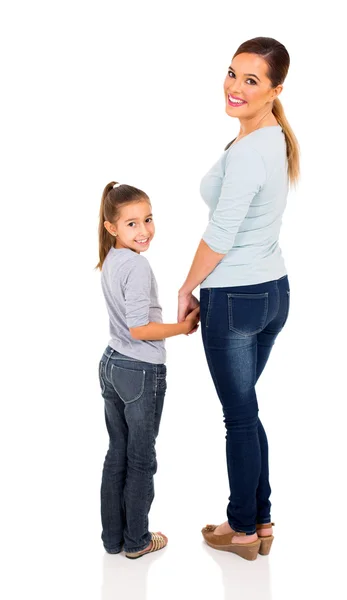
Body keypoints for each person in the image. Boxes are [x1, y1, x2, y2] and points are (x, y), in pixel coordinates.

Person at [178, 37, 300, 561]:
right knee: (246, 411)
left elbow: (221, 234)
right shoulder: (270, 137)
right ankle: (261, 520)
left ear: (275, 89)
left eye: (251, 80)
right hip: (273, 293)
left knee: (240, 417)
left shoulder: (252, 151)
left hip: (235, 300)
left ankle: (242, 529)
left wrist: (187, 287)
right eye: (232, 74)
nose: (235, 87)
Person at [97, 181, 200, 559]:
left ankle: (114, 539)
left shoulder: (111, 259)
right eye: (132, 224)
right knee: (140, 459)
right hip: (139, 370)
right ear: (112, 228)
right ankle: (137, 540)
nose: (144, 231)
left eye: (148, 220)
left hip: (112, 364)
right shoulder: (136, 266)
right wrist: (183, 327)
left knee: (117, 454)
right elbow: (140, 329)